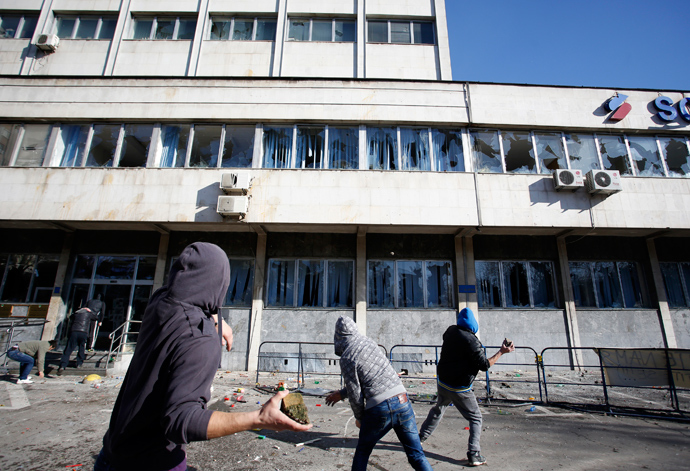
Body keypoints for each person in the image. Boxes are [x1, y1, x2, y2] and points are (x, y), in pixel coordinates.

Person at [94, 242, 311, 471]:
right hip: (153, 461)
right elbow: (181, 421)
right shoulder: (200, 338)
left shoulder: (159, 303)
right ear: (222, 282)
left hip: (111, 453)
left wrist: (217, 318)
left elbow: (184, 291)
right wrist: (258, 417)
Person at [326, 316, 433, 471]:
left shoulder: (347, 357)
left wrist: (360, 418)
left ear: (338, 336)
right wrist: (342, 393)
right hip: (402, 399)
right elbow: (374, 377)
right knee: (416, 455)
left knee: (362, 452)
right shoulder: (370, 342)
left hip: (380, 407)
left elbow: (356, 394)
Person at [418, 308, 515, 467]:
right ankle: (474, 453)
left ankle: (420, 438)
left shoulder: (451, 331)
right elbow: (484, 364)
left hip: (443, 382)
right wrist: (502, 352)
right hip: (460, 387)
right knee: (475, 417)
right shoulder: (471, 340)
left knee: (438, 409)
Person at [58, 306, 100, 374]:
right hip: (83, 332)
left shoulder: (76, 313)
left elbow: (71, 317)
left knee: (68, 349)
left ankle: (63, 365)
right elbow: (96, 318)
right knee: (81, 348)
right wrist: (90, 311)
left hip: (74, 331)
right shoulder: (88, 314)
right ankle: (79, 363)